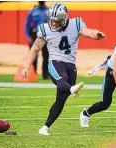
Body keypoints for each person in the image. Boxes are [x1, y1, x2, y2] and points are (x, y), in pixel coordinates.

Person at [22, 3, 105, 136]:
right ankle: (72, 89)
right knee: (62, 83)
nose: (53, 24)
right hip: (55, 62)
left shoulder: (75, 23)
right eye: (51, 20)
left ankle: (45, 127)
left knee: (61, 99)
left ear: (64, 19)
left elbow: (89, 32)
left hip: (71, 66)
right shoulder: (45, 29)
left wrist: (96, 34)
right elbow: (35, 48)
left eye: (56, 21)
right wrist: (27, 66)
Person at [25, 1, 49, 79]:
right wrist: (28, 36)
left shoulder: (49, 10)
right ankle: (33, 74)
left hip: (46, 34)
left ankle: (45, 75)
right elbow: (27, 24)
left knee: (46, 55)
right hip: (35, 34)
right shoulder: (33, 11)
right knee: (33, 54)